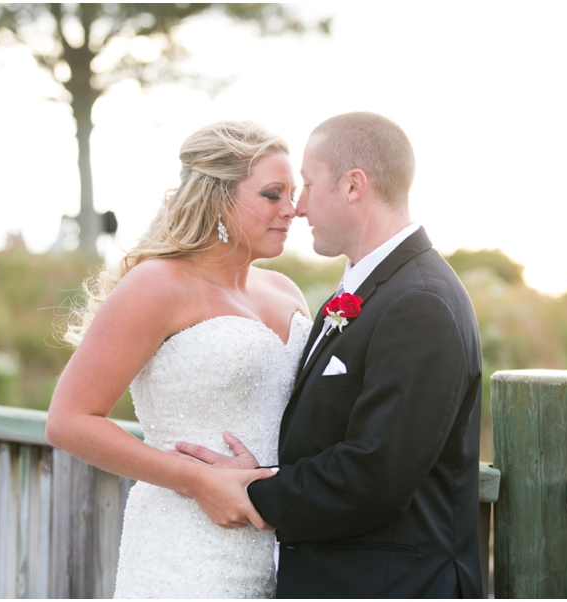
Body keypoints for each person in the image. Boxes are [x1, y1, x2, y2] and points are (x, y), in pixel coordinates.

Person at [175, 112, 484, 598]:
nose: (297, 207)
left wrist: (251, 491)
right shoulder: (369, 291)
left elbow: (374, 475)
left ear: (353, 186)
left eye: (308, 184)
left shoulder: (420, 302)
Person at [44, 120, 312, 598]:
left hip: (281, 551)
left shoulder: (286, 292)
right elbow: (68, 420)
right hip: (185, 552)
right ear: (219, 199)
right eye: (273, 194)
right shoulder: (157, 285)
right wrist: (196, 481)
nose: (293, 210)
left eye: (294, 194)